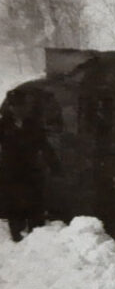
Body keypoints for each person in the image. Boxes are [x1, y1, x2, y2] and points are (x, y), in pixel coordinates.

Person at [0, 92, 60, 242]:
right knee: (13, 202)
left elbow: (44, 145)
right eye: (15, 106)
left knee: (34, 201)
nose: (19, 109)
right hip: (10, 170)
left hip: (31, 169)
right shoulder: (3, 125)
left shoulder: (32, 124)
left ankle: (35, 234)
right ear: (11, 107)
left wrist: (54, 165)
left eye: (22, 105)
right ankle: (16, 233)